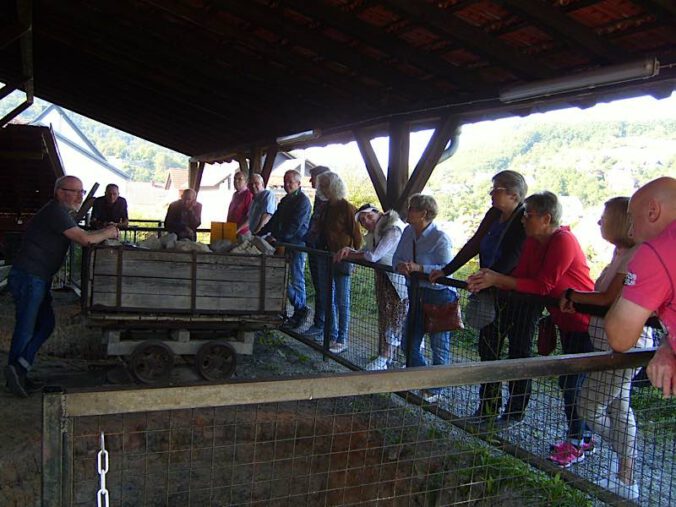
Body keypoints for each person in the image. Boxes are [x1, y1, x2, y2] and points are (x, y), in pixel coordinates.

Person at [467, 191, 595, 468]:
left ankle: (580, 438)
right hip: (565, 321)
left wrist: (496, 278)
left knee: (574, 384)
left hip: (586, 323)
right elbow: (522, 277)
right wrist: (488, 280)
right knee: (572, 382)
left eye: (529, 215)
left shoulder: (563, 240)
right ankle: (581, 435)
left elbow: (544, 286)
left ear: (546, 218)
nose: (523, 219)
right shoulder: (534, 241)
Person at [560, 197, 651, 500]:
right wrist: (579, 299)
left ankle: (626, 459)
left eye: (604, 217)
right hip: (610, 342)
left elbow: (609, 298)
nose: (599, 222)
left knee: (588, 404)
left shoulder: (634, 256)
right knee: (618, 406)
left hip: (624, 346)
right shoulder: (622, 253)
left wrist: (573, 295)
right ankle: (626, 474)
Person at [5, 175, 119, 398]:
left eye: (81, 192)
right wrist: (108, 232)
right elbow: (85, 239)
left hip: (38, 277)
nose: (79, 196)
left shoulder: (61, 213)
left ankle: (19, 367)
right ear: (59, 192)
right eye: (74, 191)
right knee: (27, 327)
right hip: (30, 276)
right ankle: (17, 372)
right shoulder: (55, 212)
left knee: (46, 325)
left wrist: (100, 232)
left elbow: (83, 234)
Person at [430, 170, 527, 421]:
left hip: (517, 297)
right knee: (488, 348)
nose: (491, 194)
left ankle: (515, 411)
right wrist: (447, 270)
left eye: (496, 189)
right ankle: (488, 408)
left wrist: (489, 278)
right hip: (490, 290)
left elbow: (514, 256)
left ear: (513, 194)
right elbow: (475, 243)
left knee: (518, 352)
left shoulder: (524, 219)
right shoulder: (494, 215)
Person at [606, 177, 676, 399]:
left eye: (632, 220)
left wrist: (634, 259)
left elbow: (619, 338)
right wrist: (666, 346)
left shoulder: (658, 251)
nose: (631, 233)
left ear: (652, 210)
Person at [392, 194, 456, 403]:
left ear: (424, 214)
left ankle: (435, 387)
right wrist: (402, 266)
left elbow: (446, 270)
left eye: (412, 209)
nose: (408, 212)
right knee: (408, 341)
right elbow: (397, 258)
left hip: (439, 296)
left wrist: (420, 268)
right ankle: (422, 378)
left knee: (439, 344)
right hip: (416, 293)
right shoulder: (408, 231)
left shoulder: (440, 238)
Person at [335, 203, 407, 369]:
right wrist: (350, 250)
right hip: (387, 281)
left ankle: (389, 357)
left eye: (368, 216)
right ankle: (391, 357)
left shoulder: (393, 229)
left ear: (378, 213)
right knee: (389, 318)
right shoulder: (375, 233)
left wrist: (350, 254)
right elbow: (365, 250)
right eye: (362, 220)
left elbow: (373, 256)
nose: (366, 221)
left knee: (398, 319)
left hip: (401, 283)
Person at [312, 172, 361, 354]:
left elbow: (357, 236)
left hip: (342, 258)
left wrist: (353, 257)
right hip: (325, 256)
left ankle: (342, 338)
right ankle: (331, 335)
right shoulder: (325, 207)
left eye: (325, 185)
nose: (322, 188)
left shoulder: (347, 208)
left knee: (342, 299)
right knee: (327, 297)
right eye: (321, 185)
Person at [258, 170, 312, 328]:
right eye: (285, 181)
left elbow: (295, 226)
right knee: (280, 276)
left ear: (298, 184)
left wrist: (278, 238)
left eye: (290, 182)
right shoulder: (285, 201)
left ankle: (299, 310)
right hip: (284, 243)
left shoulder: (303, 201)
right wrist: (259, 232)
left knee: (296, 278)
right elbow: (274, 220)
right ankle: (297, 307)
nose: (287, 184)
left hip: (296, 245)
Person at [303, 166, 332, 337]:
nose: (310, 180)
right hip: (314, 247)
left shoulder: (329, 200)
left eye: (312, 177)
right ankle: (321, 325)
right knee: (319, 287)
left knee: (323, 289)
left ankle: (322, 326)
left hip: (322, 250)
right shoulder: (320, 198)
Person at [227, 171, 253, 235]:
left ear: (246, 182)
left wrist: (237, 230)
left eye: (240, 179)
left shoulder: (248, 195)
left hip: (242, 233)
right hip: (232, 231)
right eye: (235, 179)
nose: (236, 181)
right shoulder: (235, 195)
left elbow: (251, 217)